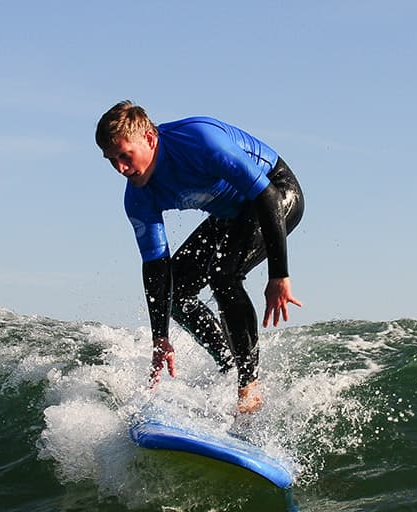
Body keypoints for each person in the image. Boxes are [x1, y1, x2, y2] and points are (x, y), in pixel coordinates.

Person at [95, 101, 305, 413]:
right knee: (177, 291)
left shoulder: (199, 141)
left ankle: (249, 388)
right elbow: (156, 266)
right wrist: (160, 338)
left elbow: (267, 195)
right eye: (112, 161)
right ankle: (229, 366)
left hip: (276, 195)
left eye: (125, 156)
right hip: (229, 215)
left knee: (224, 274)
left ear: (149, 139)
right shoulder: (138, 196)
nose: (121, 169)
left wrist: (279, 276)